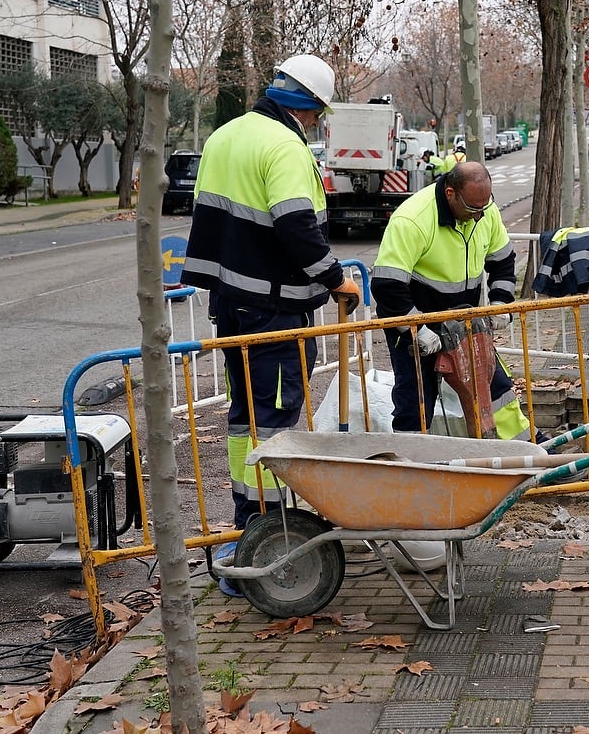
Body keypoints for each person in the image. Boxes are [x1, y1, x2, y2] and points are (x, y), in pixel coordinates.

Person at [181, 54, 361, 540]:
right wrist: (334, 279)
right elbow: (295, 223)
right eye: (317, 113)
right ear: (306, 107)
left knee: (245, 418)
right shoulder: (283, 145)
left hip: (232, 306)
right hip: (275, 311)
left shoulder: (225, 135)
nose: (316, 123)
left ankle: (248, 519)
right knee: (276, 420)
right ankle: (271, 531)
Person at [371, 161, 532, 441]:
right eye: (472, 208)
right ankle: (412, 466)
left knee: (495, 389)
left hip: (465, 322)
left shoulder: (483, 211)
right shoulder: (413, 219)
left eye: (484, 206)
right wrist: (416, 329)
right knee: (416, 399)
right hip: (416, 321)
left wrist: (500, 302)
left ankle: (526, 453)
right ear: (450, 193)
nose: (478, 215)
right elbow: (387, 285)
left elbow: (503, 261)